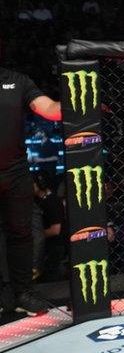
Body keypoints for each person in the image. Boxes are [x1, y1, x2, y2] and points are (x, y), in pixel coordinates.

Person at [0, 65, 60, 316]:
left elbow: (48, 109)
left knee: (21, 233)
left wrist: (83, 103)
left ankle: (23, 292)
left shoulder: (17, 80)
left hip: (14, 171)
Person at [32, 173, 66, 282]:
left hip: (55, 248)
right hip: (47, 247)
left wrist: (34, 237)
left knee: (51, 278)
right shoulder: (39, 201)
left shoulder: (51, 201)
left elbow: (55, 230)